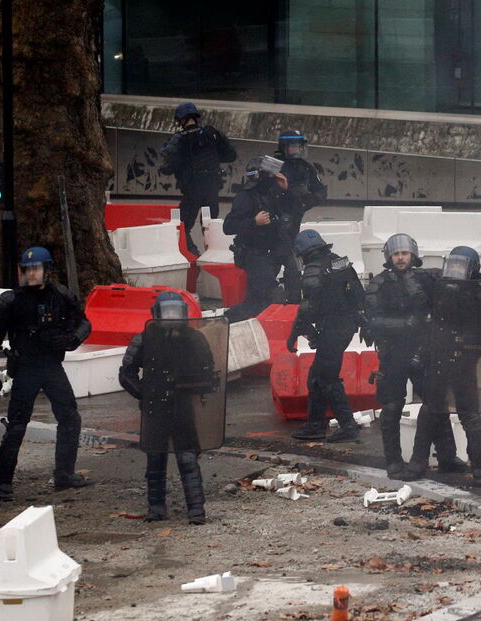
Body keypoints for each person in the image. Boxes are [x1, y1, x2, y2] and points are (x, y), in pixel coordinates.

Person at [0, 247, 92, 501]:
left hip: (52, 367)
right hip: (27, 370)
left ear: (47, 271)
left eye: (36, 269)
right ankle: (4, 483)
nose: (31, 274)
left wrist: (72, 340)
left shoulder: (61, 295)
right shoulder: (10, 301)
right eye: (27, 269)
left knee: (70, 418)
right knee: (17, 426)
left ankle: (64, 475)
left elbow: (84, 322)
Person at [400, 246, 481, 487]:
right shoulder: (439, 291)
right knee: (430, 411)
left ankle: (480, 468)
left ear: (473, 270)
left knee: (468, 415)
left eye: (461, 267)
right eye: (452, 266)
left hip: (465, 363)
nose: (455, 272)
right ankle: (419, 463)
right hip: (439, 359)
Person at [364, 234, 466, 479]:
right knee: (391, 407)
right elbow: (371, 321)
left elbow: (450, 297)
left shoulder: (427, 278)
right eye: (396, 254)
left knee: (436, 403)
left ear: (413, 255)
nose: (400, 258)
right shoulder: (379, 284)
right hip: (393, 353)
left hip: (423, 351)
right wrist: (403, 324)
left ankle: (447, 456)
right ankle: (393, 460)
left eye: (404, 253)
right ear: (389, 257)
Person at [119, 292, 216, 524]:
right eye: (167, 313)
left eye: (176, 312)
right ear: (157, 314)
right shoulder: (144, 339)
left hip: (182, 405)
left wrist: (194, 386)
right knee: (155, 457)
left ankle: (196, 510)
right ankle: (156, 508)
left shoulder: (194, 339)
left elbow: (208, 371)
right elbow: (126, 373)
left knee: (187, 457)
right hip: (155, 408)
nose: (172, 317)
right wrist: (145, 393)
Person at [287, 230, 366, 443]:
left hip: (333, 328)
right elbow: (359, 294)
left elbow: (307, 309)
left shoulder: (313, 269)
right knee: (317, 376)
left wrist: (295, 332)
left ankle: (347, 425)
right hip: (346, 326)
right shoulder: (340, 262)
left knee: (326, 378)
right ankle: (316, 424)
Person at [223, 155, 300, 322]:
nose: (274, 177)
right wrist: (254, 222)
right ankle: (225, 321)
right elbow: (228, 226)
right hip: (253, 254)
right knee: (272, 295)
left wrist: (287, 191)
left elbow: (293, 212)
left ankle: (228, 321)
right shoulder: (246, 197)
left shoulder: (274, 193)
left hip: (272, 253)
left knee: (257, 303)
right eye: (270, 174)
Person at [159, 102, 237, 255]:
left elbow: (168, 166)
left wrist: (171, 167)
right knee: (210, 226)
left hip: (192, 190)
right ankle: (213, 257)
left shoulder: (179, 139)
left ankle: (194, 254)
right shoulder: (211, 133)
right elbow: (231, 155)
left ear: (180, 120)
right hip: (212, 189)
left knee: (182, 226)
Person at [276, 129, 327, 238]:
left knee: (292, 239)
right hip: (276, 214)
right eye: (294, 146)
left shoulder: (306, 167)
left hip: (296, 213)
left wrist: (308, 201)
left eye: (300, 146)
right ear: (284, 147)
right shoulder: (274, 165)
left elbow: (320, 190)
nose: (298, 149)